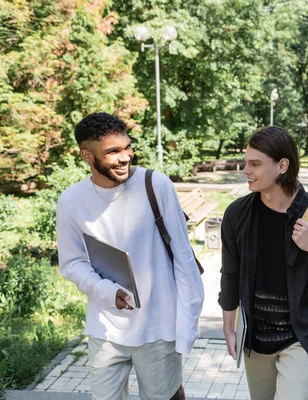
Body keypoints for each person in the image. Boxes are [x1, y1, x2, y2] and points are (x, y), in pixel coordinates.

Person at [56, 112, 204, 400]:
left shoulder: (155, 185)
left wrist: (187, 326)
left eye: (127, 147)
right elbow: (71, 263)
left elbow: (183, 258)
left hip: (158, 328)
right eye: (113, 151)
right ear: (87, 156)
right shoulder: (71, 201)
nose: (125, 157)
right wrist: (104, 290)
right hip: (105, 328)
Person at [219, 126, 308, 400]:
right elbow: (230, 273)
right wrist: (228, 323)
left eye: (255, 164)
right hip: (255, 338)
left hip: (301, 336)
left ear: (282, 165)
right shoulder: (237, 213)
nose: (246, 170)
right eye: (246, 162)